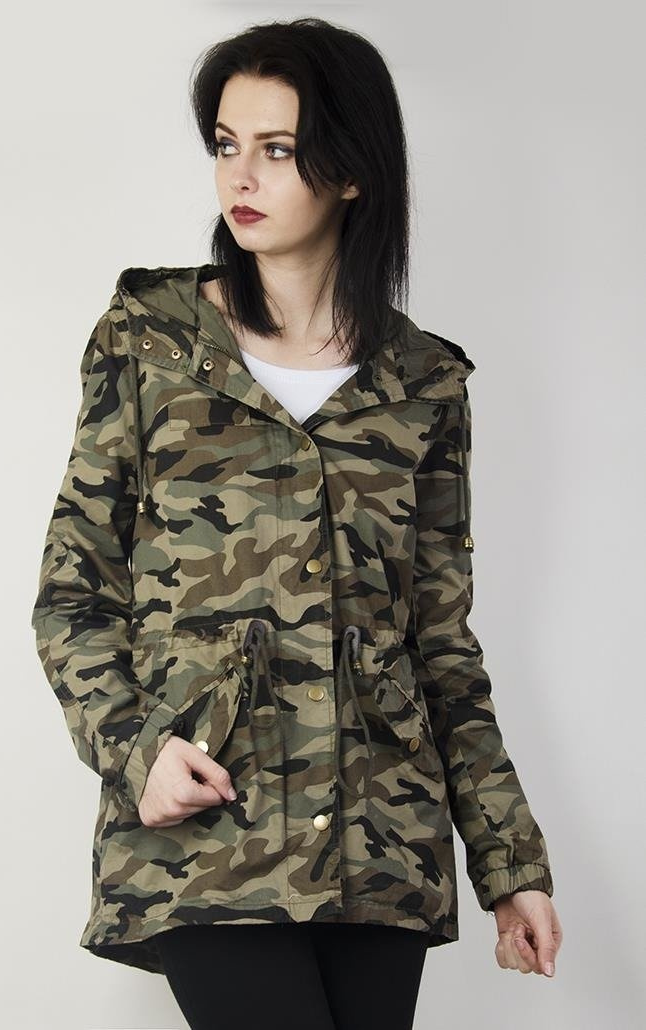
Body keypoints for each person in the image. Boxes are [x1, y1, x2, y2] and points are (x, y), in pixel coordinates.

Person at [31, 16, 562, 1029]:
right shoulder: (150, 342)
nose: (241, 175)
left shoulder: (425, 384)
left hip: (382, 846)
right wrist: (137, 751)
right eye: (227, 144)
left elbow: (441, 646)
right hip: (209, 833)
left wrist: (510, 864)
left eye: (278, 149)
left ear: (351, 172)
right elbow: (72, 594)